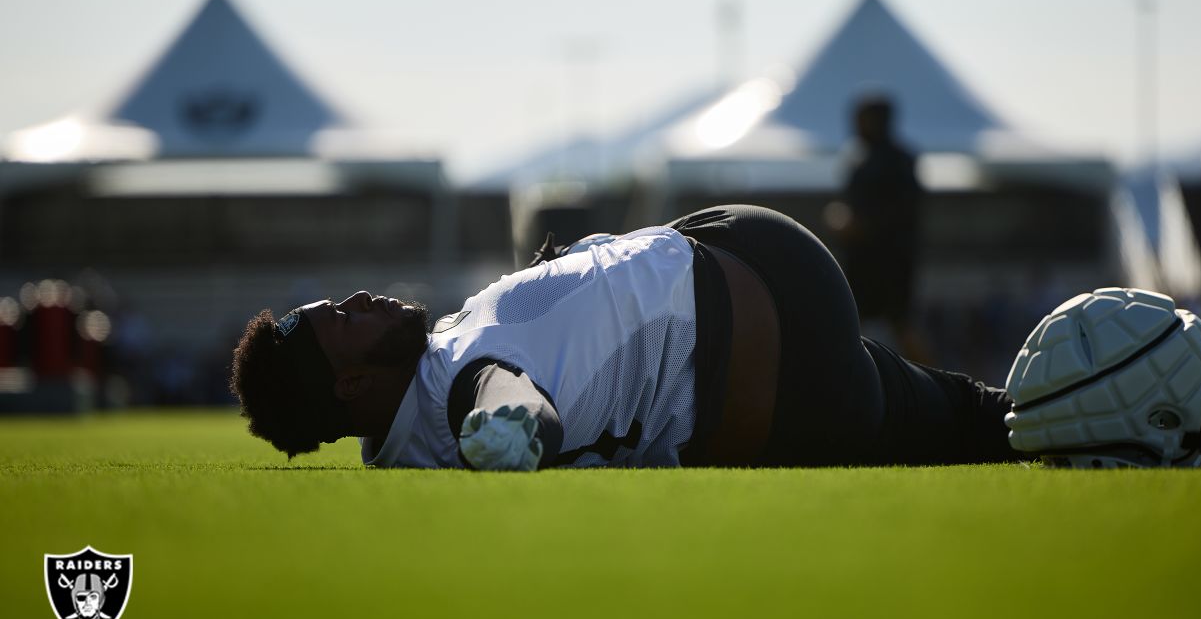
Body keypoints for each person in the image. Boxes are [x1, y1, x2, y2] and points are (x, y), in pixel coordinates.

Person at [230, 204, 1024, 470]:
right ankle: (1119, 401)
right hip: (774, 352)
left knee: (988, 418)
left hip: (750, 294)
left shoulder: (433, 355)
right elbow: (506, 401)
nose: (362, 298)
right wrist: (511, 430)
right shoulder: (451, 395)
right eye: (344, 319)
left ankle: (1112, 413)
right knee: (986, 421)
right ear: (349, 387)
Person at [833, 95, 926, 360]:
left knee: (900, 324)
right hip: (862, 260)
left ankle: (935, 384)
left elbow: (902, 211)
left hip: (890, 260)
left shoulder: (899, 160)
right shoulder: (859, 158)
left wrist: (862, 225)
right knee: (855, 322)